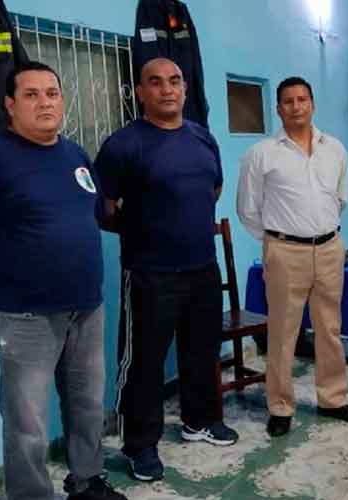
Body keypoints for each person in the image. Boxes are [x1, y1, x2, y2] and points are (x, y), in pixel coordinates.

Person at [0, 61, 126, 500]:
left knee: (86, 404)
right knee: (27, 423)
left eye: (52, 93)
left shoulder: (76, 155)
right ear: (10, 105)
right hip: (25, 314)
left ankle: (87, 480)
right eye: (32, 94)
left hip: (86, 306)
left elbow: (89, 215)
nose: (45, 102)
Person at [94, 57, 238, 482]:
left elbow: (213, 188)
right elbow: (103, 209)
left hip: (202, 268)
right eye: (155, 83)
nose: (167, 89)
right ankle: (140, 446)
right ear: (141, 92)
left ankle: (199, 420)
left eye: (175, 81)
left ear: (185, 89)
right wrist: (144, 231)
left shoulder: (203, 139)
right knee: (144, 363)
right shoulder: (123, 145)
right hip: (149, 272)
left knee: (201, 351)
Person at [237, 76, 348, 438]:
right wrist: (277, 241)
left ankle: (333, 399)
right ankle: (280, 407)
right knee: (283, 334)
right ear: (278, 109)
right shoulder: (261, 154)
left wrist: (319, 232)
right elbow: (248, 209)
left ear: (312, 104)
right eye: (288, 101)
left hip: (328, 248)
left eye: (302, 100)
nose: (296, 107)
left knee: (330, 329)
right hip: (284, 252)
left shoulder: (336, 149)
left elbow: (341, 198)